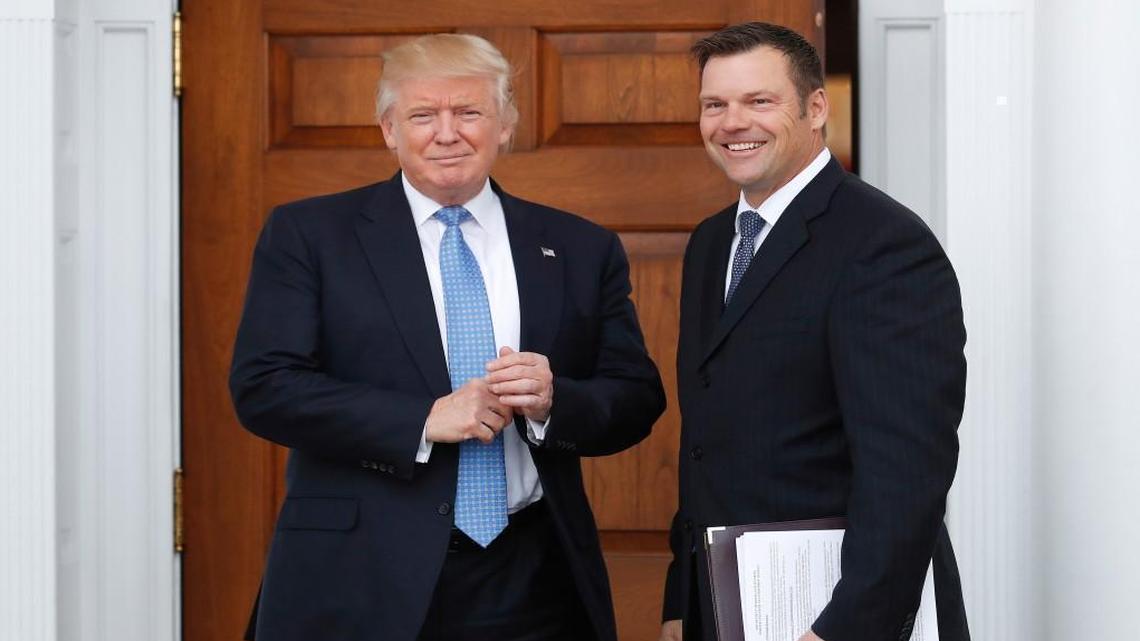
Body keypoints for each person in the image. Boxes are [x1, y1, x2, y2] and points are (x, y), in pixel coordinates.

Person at [230, 33, 665, 641]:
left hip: (532, 577)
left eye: (468, 112)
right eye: (422, 115)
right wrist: (423, 419)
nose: (447, 133)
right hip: (359, 575)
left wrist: (552, 401)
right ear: (389, 129)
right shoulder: (310, 235)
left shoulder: (579, 246)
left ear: (505, 125)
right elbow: (265, 387)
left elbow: (635, 396)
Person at [659, 22, 969, 641]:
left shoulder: (883, 244)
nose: (732, 123)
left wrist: (844, 629)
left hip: (834, 614)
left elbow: (906, 473)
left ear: (817, 108)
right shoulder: (712, 242)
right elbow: (707, 443)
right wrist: (681, 601)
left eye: (759, 101)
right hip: (725, 604)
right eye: (715, 105)